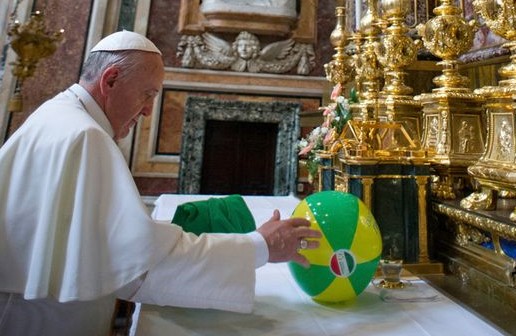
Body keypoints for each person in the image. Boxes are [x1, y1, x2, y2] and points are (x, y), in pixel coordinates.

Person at [0, 30, 321, 336]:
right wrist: (261, 246)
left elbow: (104, 240)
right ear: (110, 79)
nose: (149, 110)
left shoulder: (59, 115)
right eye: (147, 94)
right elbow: (141, 266)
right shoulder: (86, 136)